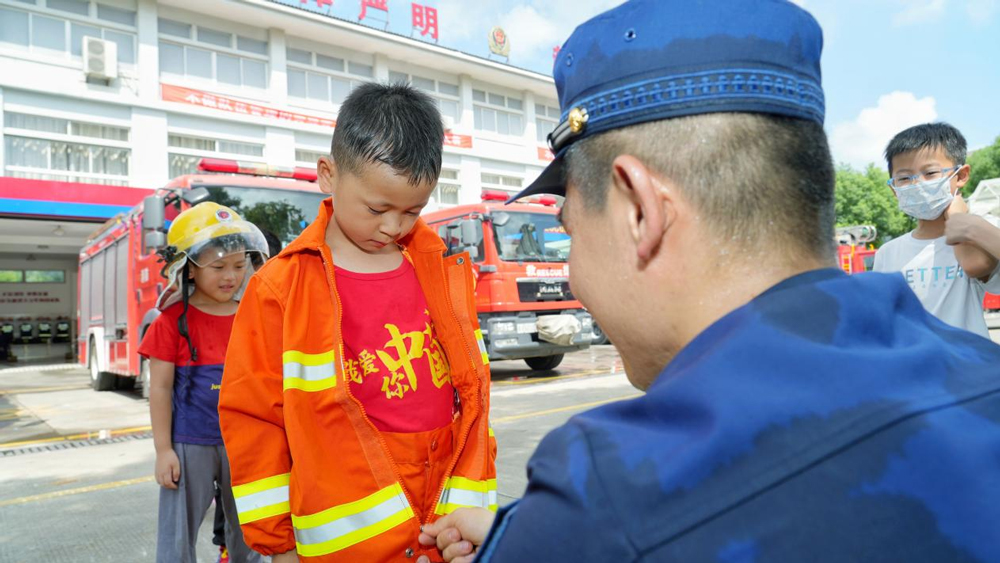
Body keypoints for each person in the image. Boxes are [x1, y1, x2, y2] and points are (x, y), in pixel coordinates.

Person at [416, 1, 1000, 562]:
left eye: (570, 229)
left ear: (640, 210)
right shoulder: (979, 375)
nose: (574, 271)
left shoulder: (613, 486)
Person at [218, 82, 497, 563]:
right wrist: (278, 545)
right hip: (346, 547)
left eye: (413, 210)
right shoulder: (280, 289)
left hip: (449, 536)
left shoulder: (439, 270)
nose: (394, 226)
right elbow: (253, 421)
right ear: (328, 174)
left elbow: (471, 398)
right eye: (377, 209)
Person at [138, 202, 268, 563]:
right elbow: (160, 389)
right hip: (188, 442)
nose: (232, 276)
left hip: (245, 442)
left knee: (251, 530)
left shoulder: (253, 316)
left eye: (240, 265)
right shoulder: (170, 322)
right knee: (178, 532)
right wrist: (164, 450)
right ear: (189, 269)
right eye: (219, 266)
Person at [872, 123, 1000, 338]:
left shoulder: (984, 231)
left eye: (930, 173)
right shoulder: (888, 252)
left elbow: (975, 264)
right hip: (913, 366)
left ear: (960, 175)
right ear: (893, 188)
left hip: (968, 366)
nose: (917, 184)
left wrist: (958, 218)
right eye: (904, 178)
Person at [209, 226, 283, 563]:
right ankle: (228, 546)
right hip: (238, 419)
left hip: (273, 414)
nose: (237, 275)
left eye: (245, 266)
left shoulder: (279, 297)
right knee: (238, 486)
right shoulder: (233, 304)